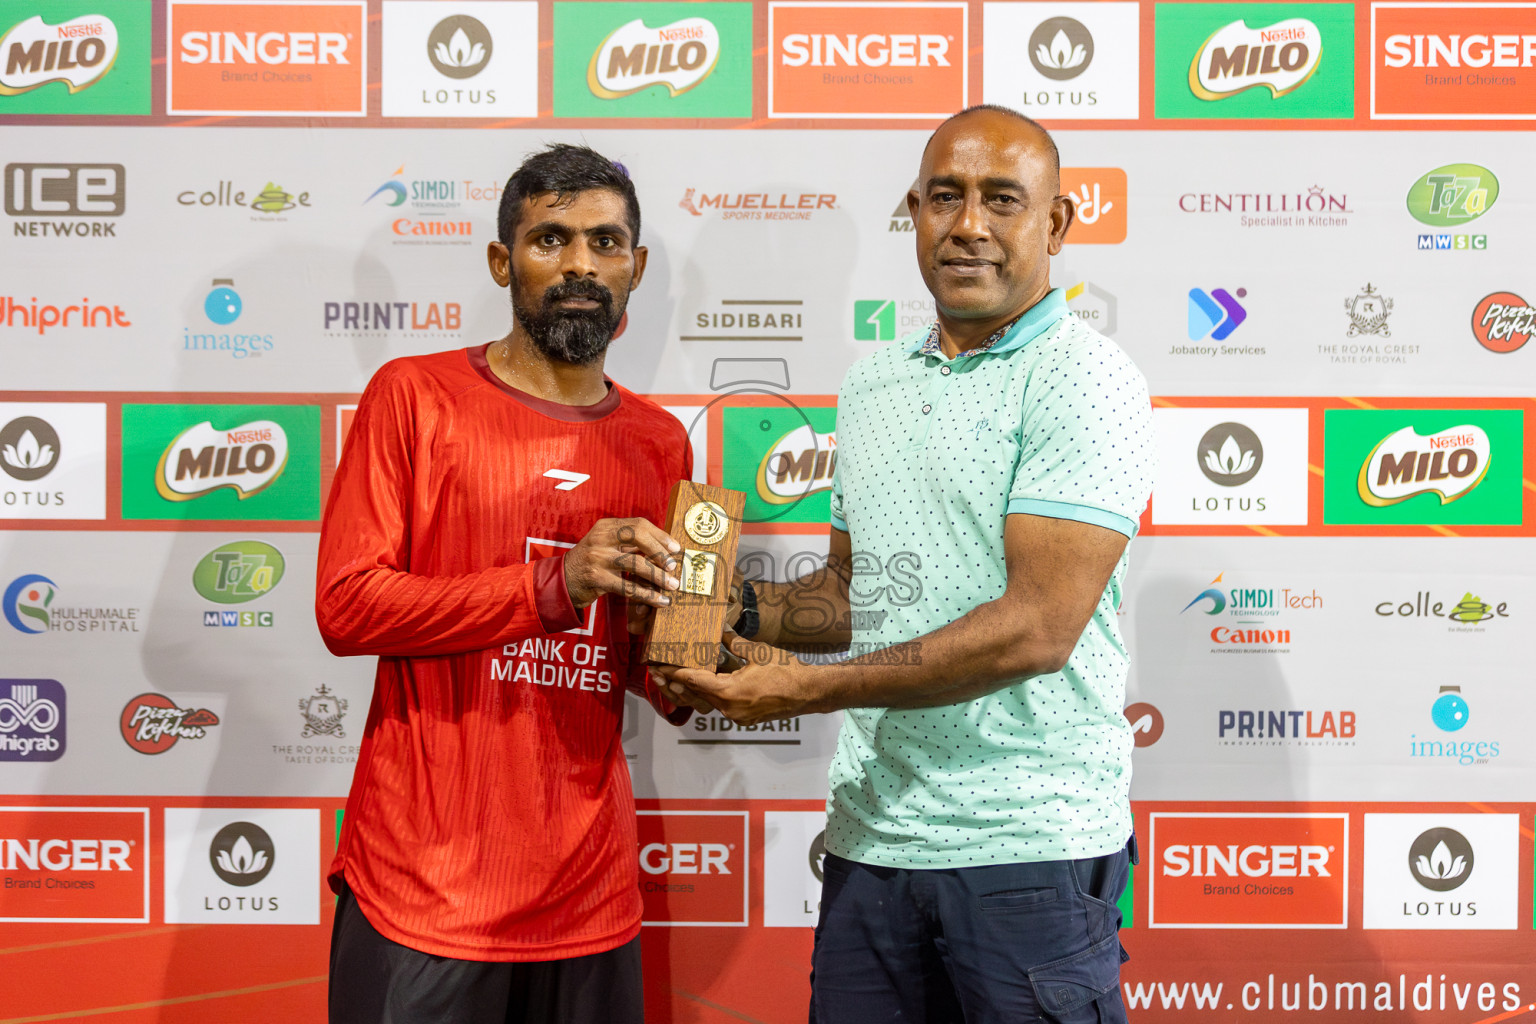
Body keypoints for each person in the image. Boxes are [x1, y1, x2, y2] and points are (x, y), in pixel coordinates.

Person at [661, 106, 1155, 1023]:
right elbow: (859, 595)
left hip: (1028, 852)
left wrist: (806, 691)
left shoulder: (1085, 377)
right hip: (874, 840)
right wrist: (719, 608)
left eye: (1002, 200)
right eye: (945, 197)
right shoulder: (873, 381)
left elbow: (1037, 628)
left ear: (1056, 223)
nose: (968, 224)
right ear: (914, 212)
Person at [316, 143, 692, 1024]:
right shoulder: (413, 396)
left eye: (605, 244)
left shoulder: (660, 442)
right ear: (501, 261)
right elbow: (347, 604)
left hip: (589, 893)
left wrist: (692, 664)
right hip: (427, 888)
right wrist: (551, 585)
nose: (579, 267)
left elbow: (646, 668)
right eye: (550, 240)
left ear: (635, 269)